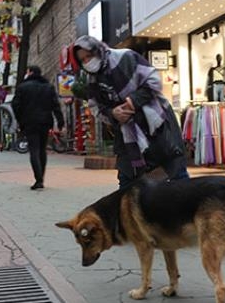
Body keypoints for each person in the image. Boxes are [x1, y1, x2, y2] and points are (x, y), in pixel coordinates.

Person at [73, 35, 189, 189]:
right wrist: (112, 113)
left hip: (157, 125)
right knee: (127, 185)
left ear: (97, 50)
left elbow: (153, 80)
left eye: (89, 56)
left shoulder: (125, 57)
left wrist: (133, 101)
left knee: (178, 177)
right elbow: (96, 107)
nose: (87, 62)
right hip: (127, 135)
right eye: (83, 60)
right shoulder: (92, 80)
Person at [12, 65, 65, 190]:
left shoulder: (22, 87)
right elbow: (56, 105)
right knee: (42, 150)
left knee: (34, 150)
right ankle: (41, 178)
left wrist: (20, 119)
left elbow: (16, 105)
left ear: (30, 73)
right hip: (45, 122)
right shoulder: (48, 87)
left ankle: (38, 179)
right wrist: (60, 121)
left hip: (29, 122)